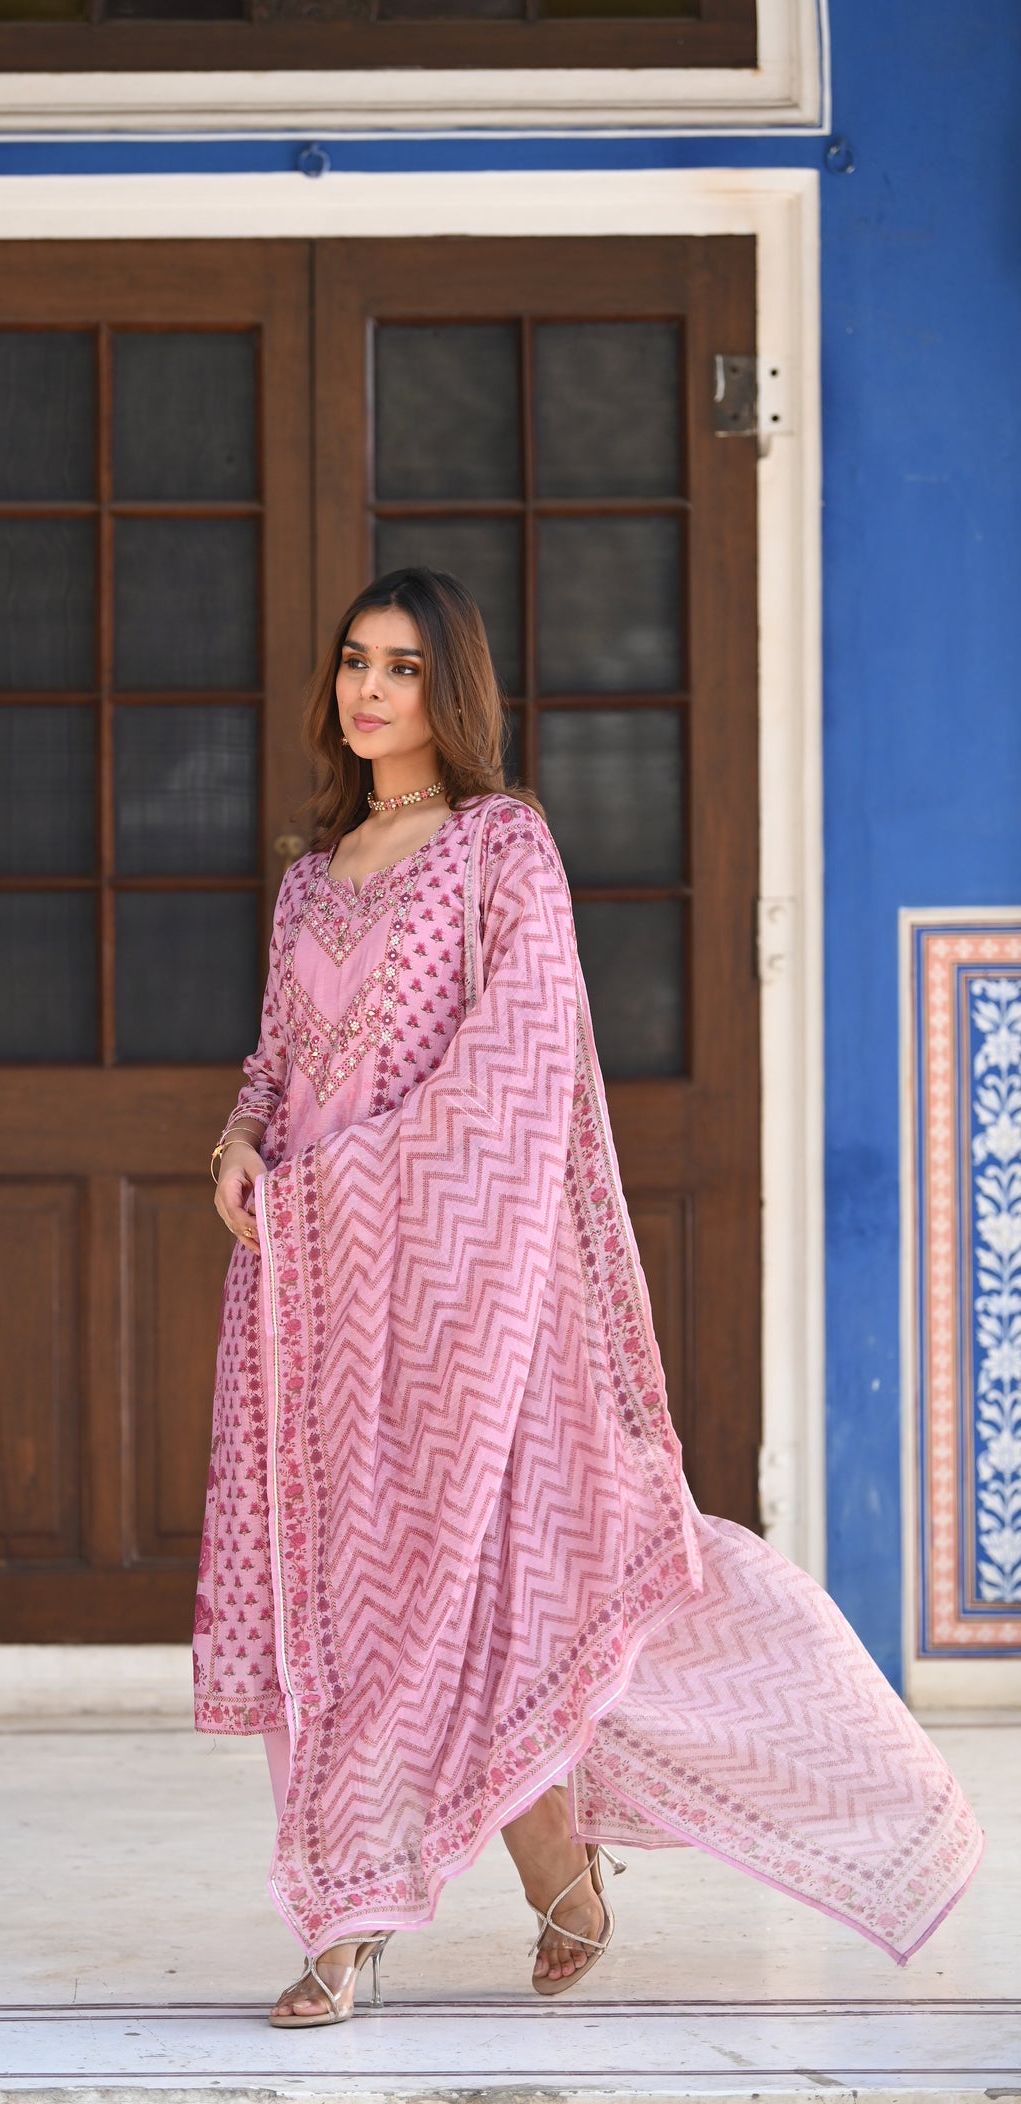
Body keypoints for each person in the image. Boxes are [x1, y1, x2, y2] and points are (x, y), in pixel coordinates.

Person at [196, 566, 982, 2029]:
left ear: (453, 690)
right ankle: (357, 1913)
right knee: (345, 1598)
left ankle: (546, 1860)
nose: (370, 690)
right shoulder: (315, 871)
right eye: (356, 661)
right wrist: (245, 1142)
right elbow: (278, 1065)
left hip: (475, 1297)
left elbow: (519, 1067)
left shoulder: (502, 847)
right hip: (314, 1306)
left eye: (403, 668)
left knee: (495, 1582)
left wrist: (339, 1177)